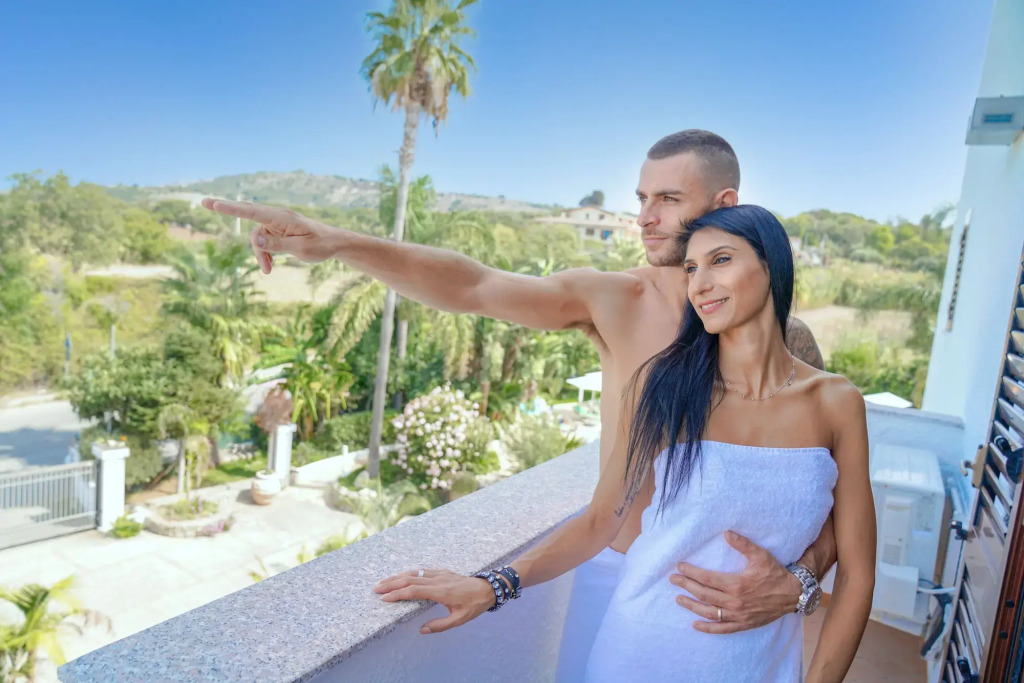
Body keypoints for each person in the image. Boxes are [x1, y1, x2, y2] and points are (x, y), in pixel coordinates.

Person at [202, 130, 838, 677]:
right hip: (615, 577)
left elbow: (830, 496)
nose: (646, 217)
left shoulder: (788, 343)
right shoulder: (618, 299)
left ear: (725, 205)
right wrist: (340, 243)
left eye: (668, 199)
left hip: (742, 618)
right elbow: (476, 286)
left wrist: (798, 582)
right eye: (642, 199)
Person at [374, 205, 876, 682]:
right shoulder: (666, 387)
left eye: (721, 260)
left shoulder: (836, 403)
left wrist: (801, 594)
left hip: (763, 668)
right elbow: (600, 521)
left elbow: (858, 574)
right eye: (691, 269)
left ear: (772, 265)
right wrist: (493, 585)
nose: (700, 284)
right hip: (639, 654)